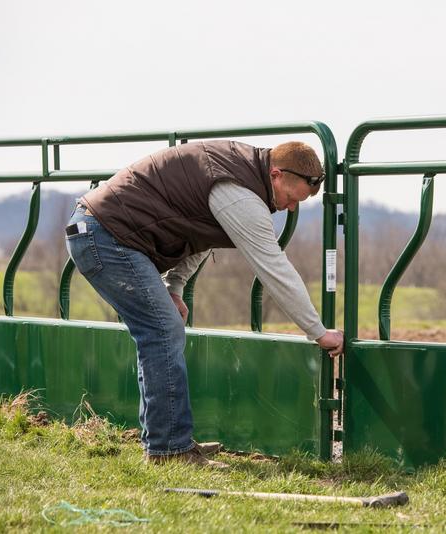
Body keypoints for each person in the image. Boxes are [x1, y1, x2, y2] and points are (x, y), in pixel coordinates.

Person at [64, 139, 344, 469]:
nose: (290, 208)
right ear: (276, 174)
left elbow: (198, 233)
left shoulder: (235, 174)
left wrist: (175, 287)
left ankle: (167, 440)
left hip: (103, 232)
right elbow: (274, 268)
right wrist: (318, 331)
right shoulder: (239, 193)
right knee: (162, 331)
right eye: (290, 198)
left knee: (161, 330)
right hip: (106, 236)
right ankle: (169, 450)